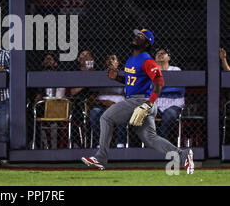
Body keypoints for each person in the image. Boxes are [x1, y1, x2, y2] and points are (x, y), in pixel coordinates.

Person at [81, 29, 194, 174]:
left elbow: (159, 81)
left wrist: (149, 103)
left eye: (140, 36)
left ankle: (100, 158)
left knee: (106, 118)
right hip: (137, 100)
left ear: (147, 43)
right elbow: (131, 82)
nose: (136, 36)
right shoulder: (131, 59)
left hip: (141, 101)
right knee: (151, 139)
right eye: (136, 34)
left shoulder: (147, 59)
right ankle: (184, 156)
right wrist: (117, 78)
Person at [89, 54, 127, 148]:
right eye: (108, 59)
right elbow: (92, 96)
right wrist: (103, 102)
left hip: (118, 105)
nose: (110, 61)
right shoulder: (100, 75)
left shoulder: (123, 75)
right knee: (94, 112)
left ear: (117, 63)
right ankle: (100, 143)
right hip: (102, 105)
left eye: (113, 59)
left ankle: (120, 143)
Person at [69, 49, 98, 148]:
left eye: (87, 55)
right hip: (77, 104)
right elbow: (72, 92)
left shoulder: (96, 73)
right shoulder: (74, 73)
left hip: (93, 103)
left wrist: (91, 74)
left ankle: (93, 144)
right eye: (82, 55)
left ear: (92, 59)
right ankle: (77, 143)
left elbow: (96, 93)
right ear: (78, 59)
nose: (85, 57)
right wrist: (86, 81)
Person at [154, 47, 185, 139]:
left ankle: (161, 141)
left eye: (163, 53)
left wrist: (158, 89)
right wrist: (168, 87)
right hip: (156, 105)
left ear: (169, 58)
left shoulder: (176, 70)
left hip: (173, 105)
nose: (160, 54)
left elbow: (179, 89)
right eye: (158, 53)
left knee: (169, 115)